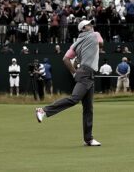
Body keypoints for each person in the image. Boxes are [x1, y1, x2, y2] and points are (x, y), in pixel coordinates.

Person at [35, 19, 103, 147]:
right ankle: (43, 111)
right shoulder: (95, 35)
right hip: (86, 74)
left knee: (88, 108)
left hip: (85, 73)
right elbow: (101, 44)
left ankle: (88, 139)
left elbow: (66, 58)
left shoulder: (76, 43)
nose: (92, 25)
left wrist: (74, 73)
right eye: (89, 25)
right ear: (83, 29)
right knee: (74, 99)